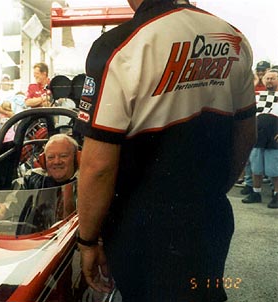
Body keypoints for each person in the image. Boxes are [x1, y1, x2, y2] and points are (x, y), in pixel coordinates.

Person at [74, 1, 256, 301]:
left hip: (141, 226)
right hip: (210, 214)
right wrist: (213, 191)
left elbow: (98, 165)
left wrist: (87, 241)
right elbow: (246, 135)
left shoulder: (121, 44)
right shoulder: (232, 36)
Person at [242, 69, 278, 208]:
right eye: (267, 78)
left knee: (274, 168)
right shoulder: (257, 94)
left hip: (273, 136)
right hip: (257, 135)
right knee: (256, 166)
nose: (269, 80)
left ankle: (276, 194)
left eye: (273, 78)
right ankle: (255, 193)